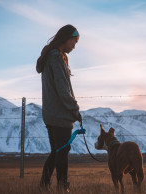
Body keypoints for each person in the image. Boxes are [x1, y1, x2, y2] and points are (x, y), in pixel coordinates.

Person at [36, 24, 82, 192]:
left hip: (50, 114)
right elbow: (63, 91)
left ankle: (44, 185)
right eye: (74, 42)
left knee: (57, 152)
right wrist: (75, 110)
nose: (74, 46)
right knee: (62, 153)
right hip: (60, 115)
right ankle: (63, 187)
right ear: (67, 38)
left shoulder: (51, 57)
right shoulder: (56, 58)